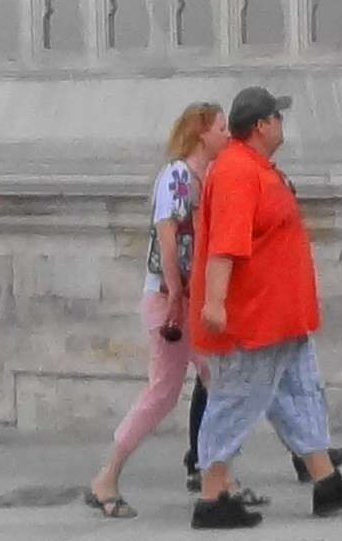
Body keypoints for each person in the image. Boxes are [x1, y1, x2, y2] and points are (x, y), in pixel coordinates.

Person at [188, 88, 342, 529]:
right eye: (277, 116)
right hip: (254, 316)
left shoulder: (255, 168)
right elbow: (225, 245)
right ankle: (212, 496)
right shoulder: (237, 170)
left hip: (281, 315)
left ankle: (326, 481)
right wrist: (215, 302)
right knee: (237, 398)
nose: (281, 123)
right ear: (261, 125)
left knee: (299, 393)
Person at [87, 103, 228, 519]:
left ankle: (218, 478)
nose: (227, 135)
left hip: (188, 299)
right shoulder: (178, 176)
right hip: (172, 299)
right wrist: (174, 294)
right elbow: (167, 238)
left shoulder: (208, 177)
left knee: (218, 381)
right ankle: (107, 477)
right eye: (221, 128)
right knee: (166, 391)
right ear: (202, 132)